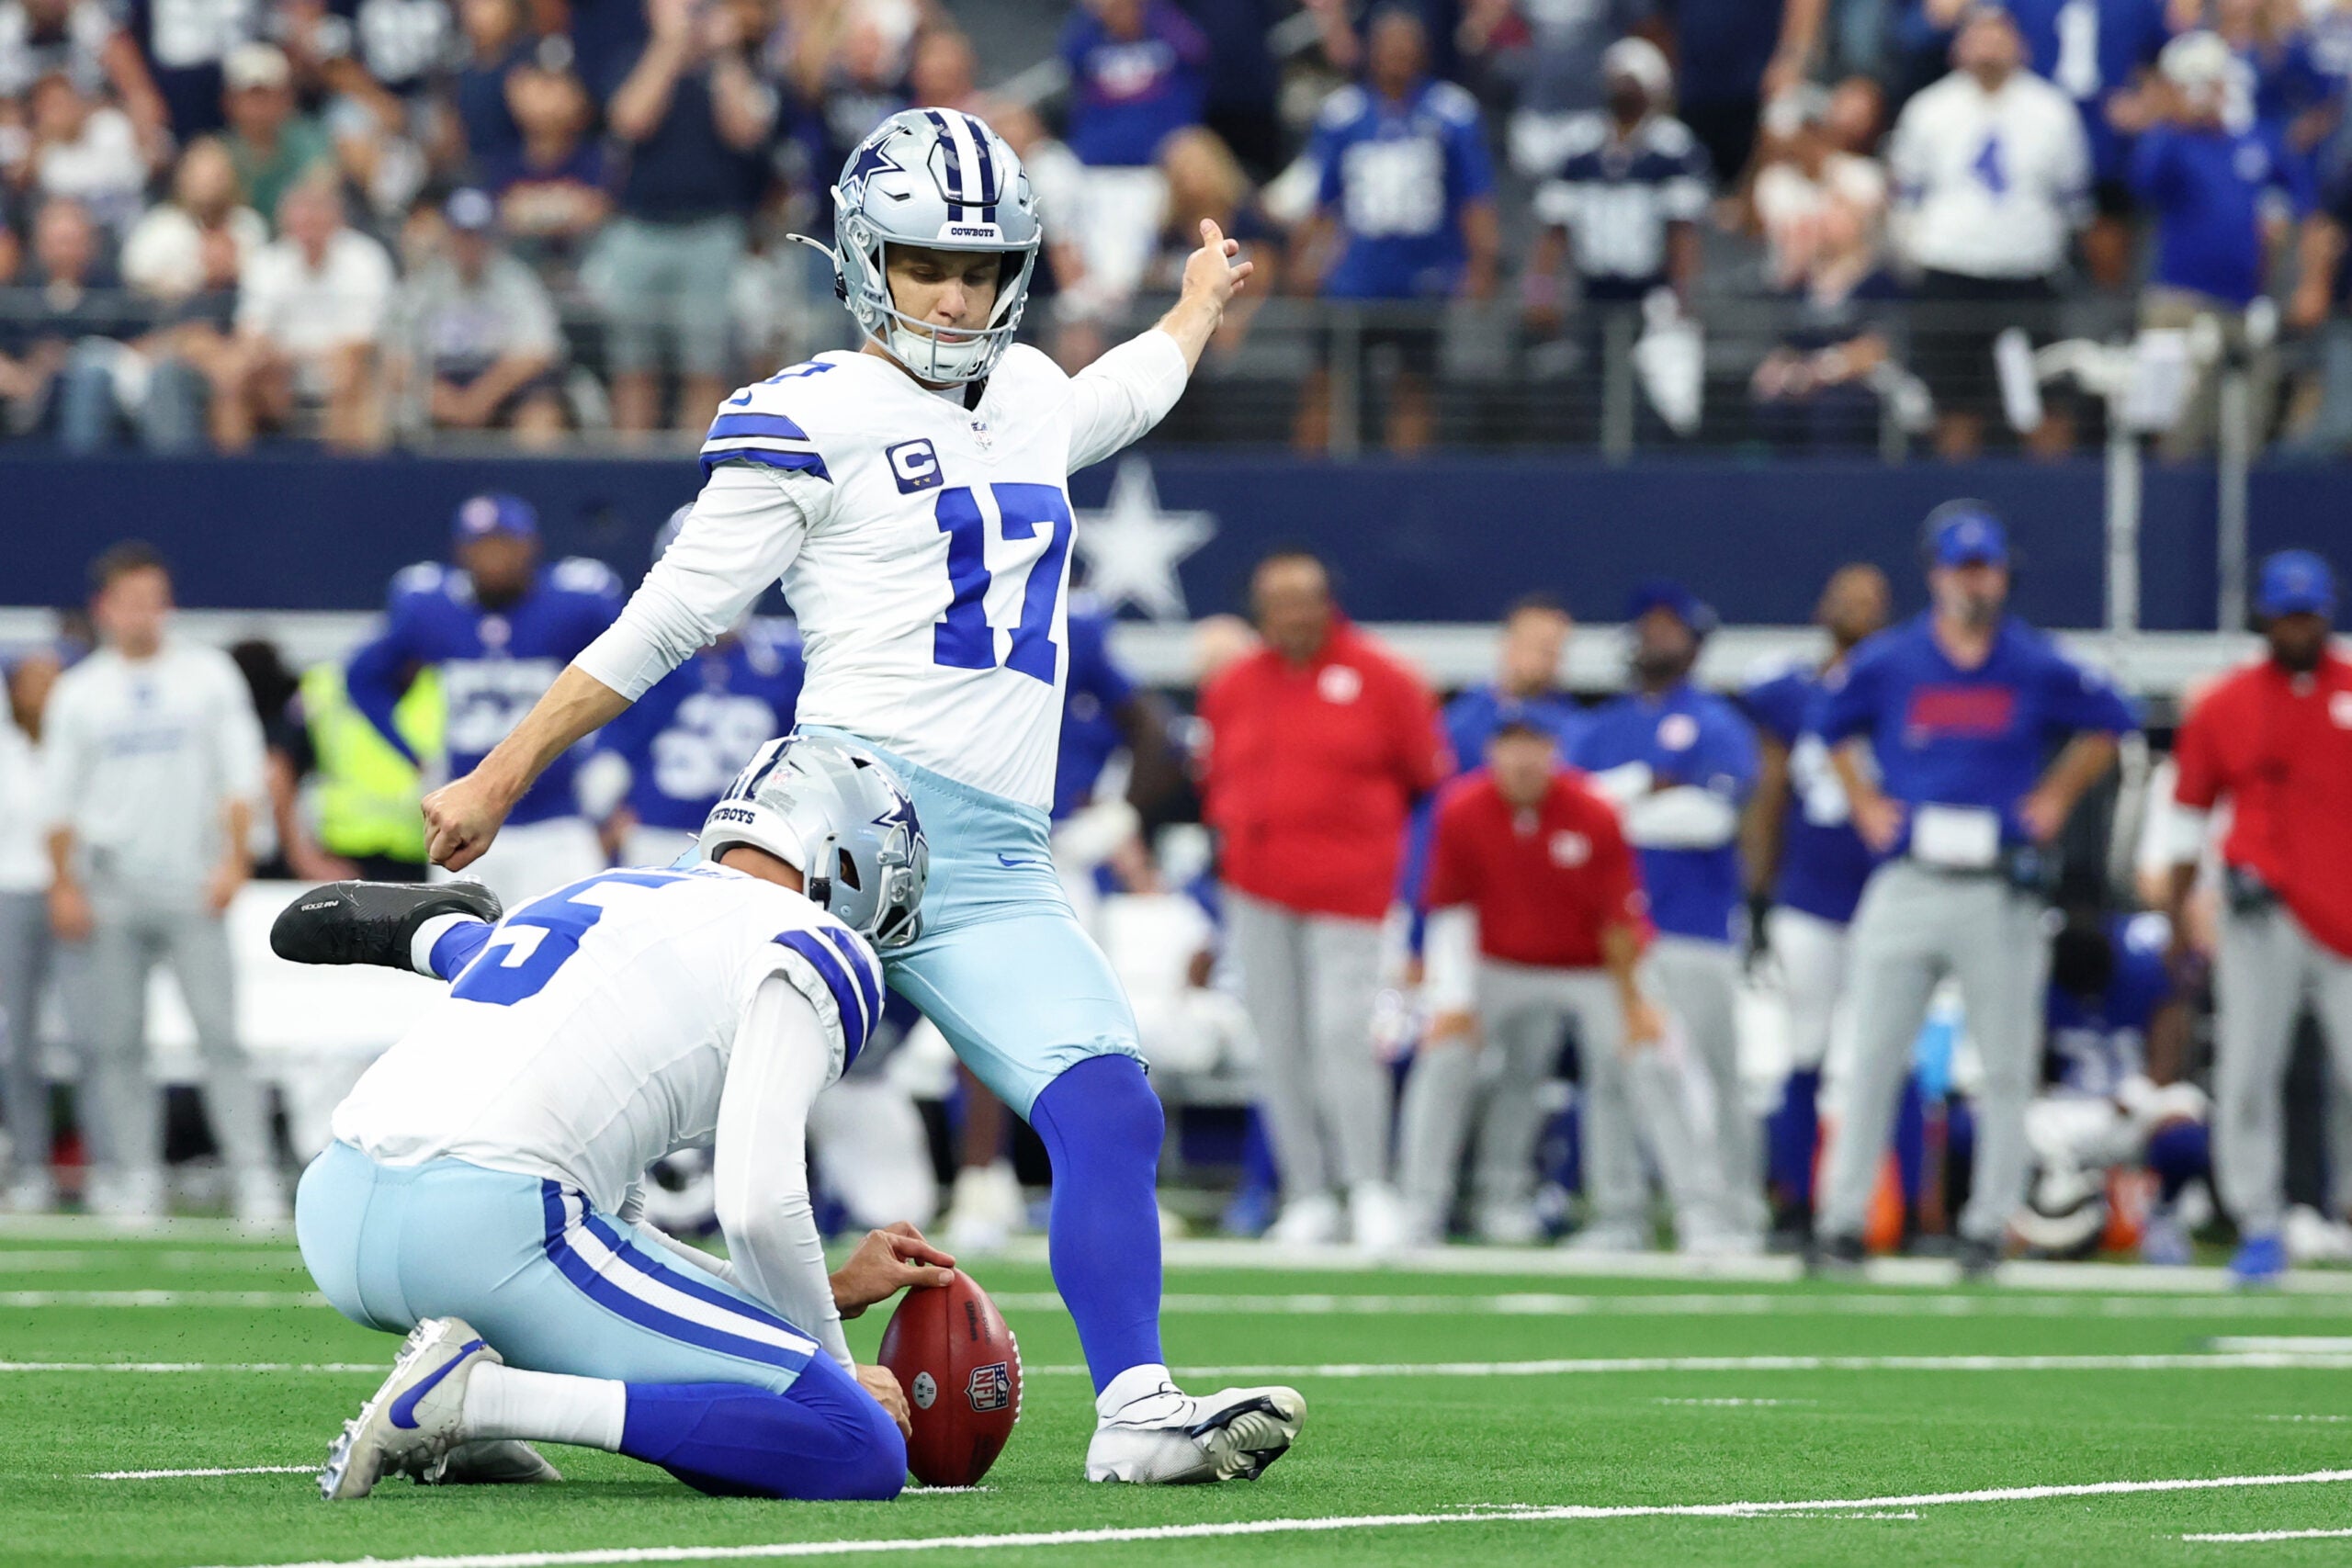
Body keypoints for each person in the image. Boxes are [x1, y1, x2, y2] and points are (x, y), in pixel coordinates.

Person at [404, 107, 1304, 1485]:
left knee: (1111, 1109)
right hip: (836, 820)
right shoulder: (808, 411)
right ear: (861, 257)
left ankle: (1135, 1406)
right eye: (925, 261)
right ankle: (478, 1362)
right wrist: (503, 769)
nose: (955, 294)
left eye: (982, 266)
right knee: (650, 1104)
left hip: (996, 856)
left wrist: (1193, 305)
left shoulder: (1032, 398)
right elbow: (664, 619)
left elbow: (1127, 388)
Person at [285, 739, 943, 1500]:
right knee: (852, 1443)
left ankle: (477, 1402)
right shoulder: (817, 942)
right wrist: (830, 1365)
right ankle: (479, 1400)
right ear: (849, 862)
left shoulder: (612, 891)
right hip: (488, 1229)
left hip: (337, 1209)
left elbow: (617, 1242)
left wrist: (820, 1293)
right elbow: (758, 1203)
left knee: (582, 1222)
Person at [1808, 502, 2137, 1278]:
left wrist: (2058, 793)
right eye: (1962, 568)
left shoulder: (2031, 660)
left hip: (1998, 883)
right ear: (1937, 574)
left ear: (2002, 573)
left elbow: (2111, 718)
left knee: (2005, 1066)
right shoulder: (1893, 660)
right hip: (1911, 873)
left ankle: (1990, 1223)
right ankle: (1843, 1218)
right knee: (1874, 1055)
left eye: (1985, 567)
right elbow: (1826, 721)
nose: (1974, 582)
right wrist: (1863, 800)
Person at [1401, 709, 1729, 1248]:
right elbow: (1451, 908)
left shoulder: (1593, 812)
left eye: (1534, 746)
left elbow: (1619, 920)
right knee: (1445, 1057)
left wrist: (1634, 1007)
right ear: (1492, 753)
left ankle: (1678, 1216)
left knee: (1642, 1062)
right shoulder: (1461, 809)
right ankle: (1422, 1208)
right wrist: (1453, 1001)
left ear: (1554, 752)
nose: (1523, 759)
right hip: (1497, 962)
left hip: (1590, 966)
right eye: (1511, 745)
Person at [1199, 549, 1451, 1249]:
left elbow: (1427, 778)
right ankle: (1307, 1192)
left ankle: (1369, 1185)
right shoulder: (1234, 685)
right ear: (1261, 610)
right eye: (1277, 602)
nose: (1292, 615)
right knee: (1276, 1042)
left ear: (1327, 600)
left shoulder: (1384, 678)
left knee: (1343, 1035)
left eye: (1303, 599)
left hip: (1350, 889)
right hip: (1255, 888)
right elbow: (1216, 773)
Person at [40, 542, 282, 1221]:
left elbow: (240, 775)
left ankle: (253, 1173)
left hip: (191, 881)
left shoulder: (206, 677)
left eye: (153, 598)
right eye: (130, 601)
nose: (143, 614)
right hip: (110, 885)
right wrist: (64, 883)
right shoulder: (81, 690)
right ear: (105, 608)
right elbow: (58, 800)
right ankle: (136, 1174)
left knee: (220, 1035)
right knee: (116, 1043)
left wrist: (234, 861)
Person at [2163, 548, 2352, 1286]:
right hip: (2260, 911)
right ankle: (2260, 1221)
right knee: (2247, 1072)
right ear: (2266, 617)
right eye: (2286, 614)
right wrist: (2182, 909)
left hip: (2345, 915)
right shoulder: (2225, 703)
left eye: (2308, 614)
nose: (2298, 627)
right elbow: (2187, 816)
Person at [1574, 580, 1763, 1245]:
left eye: (1669, 626)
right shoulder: (1601, 725)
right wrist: (1643, 787)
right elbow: (1575, 813)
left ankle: (1732, 1209)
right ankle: (1618, 1211)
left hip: (1695, 927)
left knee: (1711, 1074)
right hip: (1616, 935)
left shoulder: (1716, 722)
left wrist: (1617, 804)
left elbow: (1709, 817)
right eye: (1645, 625)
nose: (1654, 637)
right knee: (1611, 1074)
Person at [345, 494, 621, 908]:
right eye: (480, 545)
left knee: (573, 950)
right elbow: (362, 678)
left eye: (503, 544)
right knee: (460, 951)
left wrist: (612, 754)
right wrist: (414, 756)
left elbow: (644, 675)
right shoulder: (431, 607)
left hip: (557, 818)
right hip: (465, 819)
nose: (492, 558)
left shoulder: (573, 603)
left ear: (530, 546)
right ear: (460, 550)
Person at [1739, 562, 1892, 1241]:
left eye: (1869, 602)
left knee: (1888, 1055)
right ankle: (1796, 1199)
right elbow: (1770, 792)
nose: (1855, 610)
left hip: (1888, 892)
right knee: (1805, 1048)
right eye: (1845, 599)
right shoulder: (1789, 690)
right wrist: (1757, 890)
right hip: (1808, 891)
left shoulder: (1903, 685)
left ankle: (1909, 1210)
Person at [1292, 7, 1499, 455]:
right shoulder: (1342, 115)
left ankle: (1404, 494)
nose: (1397, 57)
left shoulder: (1452, 112)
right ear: (1370, 52)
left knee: (1414, 387)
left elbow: (1475, 197)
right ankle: (1308, 488)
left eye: (1406, 48)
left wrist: (1480, 265)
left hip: (1422, 275)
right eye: (1388, 47)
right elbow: (1322, 201)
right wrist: (1307, 260)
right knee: (1326, 381)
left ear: (1422, 54)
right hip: (1353, 277)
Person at [1885, 4, 2088, 457]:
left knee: (2043, 396)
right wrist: (1915, 254)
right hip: (1951, 271)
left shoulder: (2052, 111)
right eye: (1979, 34)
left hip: (2026, 274)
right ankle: (1957, 503)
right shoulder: (1928, 109)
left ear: (2021, 45)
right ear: (1959, 46)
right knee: (1954, 399)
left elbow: (2074, 199)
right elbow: (1905, 196)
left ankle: (2056, 503)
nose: (1989, 46)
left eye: (2000, 35)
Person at [584, 0, 774, 434]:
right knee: (633, 367)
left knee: (704, 367)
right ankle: (630, 470)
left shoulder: (734, 69)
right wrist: (669, 46)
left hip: (711, 231)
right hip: (638, 228)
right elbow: (630, 121)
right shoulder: (632, 59)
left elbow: (747, 130)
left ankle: (697, 477)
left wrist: (726, 54)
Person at [588, 507, 805, 869]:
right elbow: (609, 756)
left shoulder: (786, 659)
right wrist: (604, 817)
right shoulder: (645, 656)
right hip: (656, 835)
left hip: (752, 841)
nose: (718, 586)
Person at [2018, 907, 2209, 1265]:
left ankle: (2164, 1215)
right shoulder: (2041, 982)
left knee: (2184, 1127)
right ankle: (2043, 1221)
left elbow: (2170, 1047)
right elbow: (2026, 1063)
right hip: (2069, 1109)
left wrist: (2135, 1092)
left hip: (2133, 1103)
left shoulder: (2141, 970)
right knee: (1983, 1126)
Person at [1523, 38, 1713, 331]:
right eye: (1618, 78)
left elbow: (1683, 233)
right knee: (1586, 371)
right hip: (1590, 292)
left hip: (1653, 295)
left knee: (1666, 367)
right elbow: (1552, 232)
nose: (1623, 87)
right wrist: (1541, 295)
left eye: (1633, 80)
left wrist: (1683, 297)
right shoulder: (1578, 145)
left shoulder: (1671, 146)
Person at [225, 175, 396, 451]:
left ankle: (336, 478)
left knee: (346, 370)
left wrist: (302, 355)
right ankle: (230, 477)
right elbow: (251, 334)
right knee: (234, 371)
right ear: (286, 221)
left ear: (336, 219)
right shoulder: (268, 263)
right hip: (281, 372)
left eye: (318, 216)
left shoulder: (365, 258)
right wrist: (278, 357)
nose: (310, 228)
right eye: (302, 218)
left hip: (347, 369)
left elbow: (362, 341)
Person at [394, 187, 569, 446]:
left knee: (541, 412)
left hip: (501, 384)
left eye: (478, 235)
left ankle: (533, 485)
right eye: (462, 235)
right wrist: (441, 399)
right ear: (448, 236)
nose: (470, 243)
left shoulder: (516, 281)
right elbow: (397, 356)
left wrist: (479, 399)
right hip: (439, 380)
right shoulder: (423, 284)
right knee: (381, 402)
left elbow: (538, 351)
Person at [0, 649, 62, 1210]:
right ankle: (30, 1165)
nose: (44, 689)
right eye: (33, 681)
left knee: (98, 1037)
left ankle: (116, 1165)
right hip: (13, 896)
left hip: (79, 900)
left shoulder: (82, 747)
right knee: (19, 1039)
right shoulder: (5, 752)